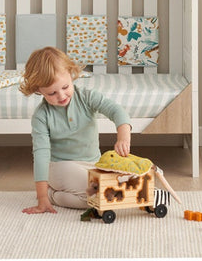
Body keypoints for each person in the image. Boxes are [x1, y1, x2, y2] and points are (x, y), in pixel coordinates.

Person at [17, 47, 133, 214]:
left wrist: (123, 138)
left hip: (94, 165)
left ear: (71, 75)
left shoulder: (86, 97)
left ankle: (59, 194)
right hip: (60, 167)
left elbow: (116, 111)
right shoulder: (41, 116)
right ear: (38, 90)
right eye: (52, 93)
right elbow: (41, 155)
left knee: (105, 193)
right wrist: (42, 198)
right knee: (100, 191)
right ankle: (50, 195)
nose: (61, 96)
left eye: (65, 87)